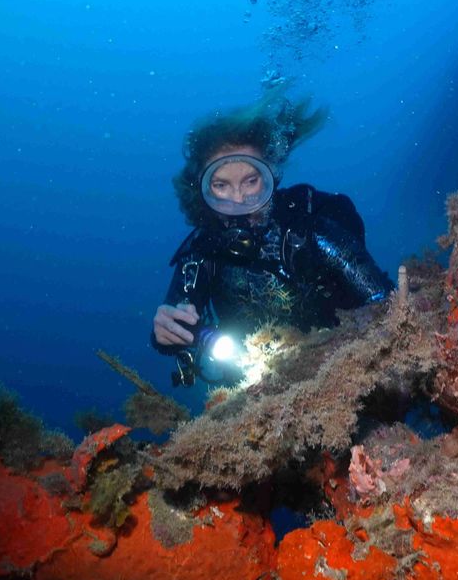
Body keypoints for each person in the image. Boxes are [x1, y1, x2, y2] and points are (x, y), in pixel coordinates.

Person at [151, 89, 392, 386]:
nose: (238, 200)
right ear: (202, 190)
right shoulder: (202, 253)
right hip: (254, 389)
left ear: (271, 177)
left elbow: (382, 301)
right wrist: (165, 331)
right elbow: (174, 327)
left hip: (344, 374)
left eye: (251, 181)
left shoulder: (311, 230)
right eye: (221, 185)